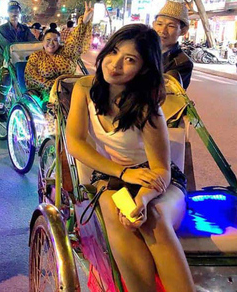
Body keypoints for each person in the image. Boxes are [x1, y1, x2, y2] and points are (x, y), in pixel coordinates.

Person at [66, 24, 194, 292]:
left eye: (130, 59)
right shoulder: (84, 89)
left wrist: (144, 198)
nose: (115, 65)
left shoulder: (147, 107)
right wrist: (123, 174)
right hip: (113, 177)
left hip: (157, 180)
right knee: (115, 210)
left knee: (153, 218)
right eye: (113, 52)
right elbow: (75, 143)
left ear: (144, 68)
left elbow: (161, 170)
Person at [24, 1, 93, 102]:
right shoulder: (36, 56)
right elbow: (31, 77)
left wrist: (84, 22)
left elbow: (75, 41)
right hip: (48, 94)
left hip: (72, 91)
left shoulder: (66, 52)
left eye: (55, 40)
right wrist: (55, 86)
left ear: (60, 42)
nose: (51, 43)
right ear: (42, 42)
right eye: (48, 40)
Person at [0, 0, 37, 120]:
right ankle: (1, 104)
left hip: (23, 60)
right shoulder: (2, 29)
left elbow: (32, 41)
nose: (14, 13)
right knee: (7, 77)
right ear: (8, 13)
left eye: (16, 11)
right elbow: (6, 45)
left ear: (19, 13)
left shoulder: (24, 29)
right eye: (12, 11)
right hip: (7, 59)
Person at [153, 1, 193, 90]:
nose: (163, 30)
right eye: (159, 24)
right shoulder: (141, 49)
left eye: (171, 26)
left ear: (183, 31)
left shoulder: (183, 62)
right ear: (153, 25)